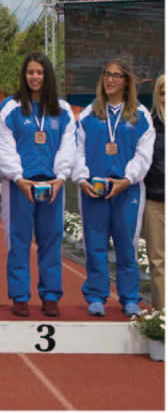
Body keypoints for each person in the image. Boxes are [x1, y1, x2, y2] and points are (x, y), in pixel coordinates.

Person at [72, 60, 154, 317]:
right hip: (93, 190)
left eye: (116, 76)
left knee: (126, 246)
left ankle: (129, 297)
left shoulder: (141, 116)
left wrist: (127, 179)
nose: (109, 80)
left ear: (127, 81)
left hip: (126, 190)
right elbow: (77, 150)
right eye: (107, 74)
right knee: (95, 245)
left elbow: (144, 155)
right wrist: (82, 178)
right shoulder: (89, 114)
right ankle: (96, 296)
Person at [0, 52, 76, 317]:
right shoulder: (11, 107)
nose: (35, 77)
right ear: (24, 75)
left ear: (47, 75)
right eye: (31, 72)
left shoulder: (62, 110)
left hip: (52, 187)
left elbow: (68, 146)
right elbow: (5, 146)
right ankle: (20, 295)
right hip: (20, 186)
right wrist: (18, 177)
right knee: (18, 241)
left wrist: (61, 177)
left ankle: (50, 295)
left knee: (51, 240)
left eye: (40, 72)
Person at [143, 74, 164, 310]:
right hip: (155, 200)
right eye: (163, 92)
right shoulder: (149, 125)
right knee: (158, 260)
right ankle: (162, 314)